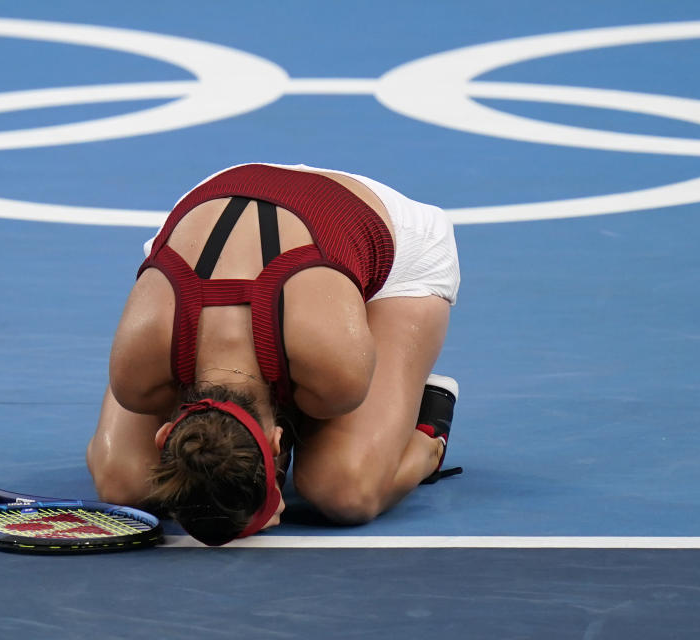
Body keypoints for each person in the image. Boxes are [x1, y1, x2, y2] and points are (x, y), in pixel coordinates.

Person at [86, 163, 461, 545]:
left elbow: (324, 422)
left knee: (345, 490)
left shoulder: (336, 369)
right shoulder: (139, 364)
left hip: (389, 247)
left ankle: (429, 437)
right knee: (123, 483)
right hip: (222, 199)